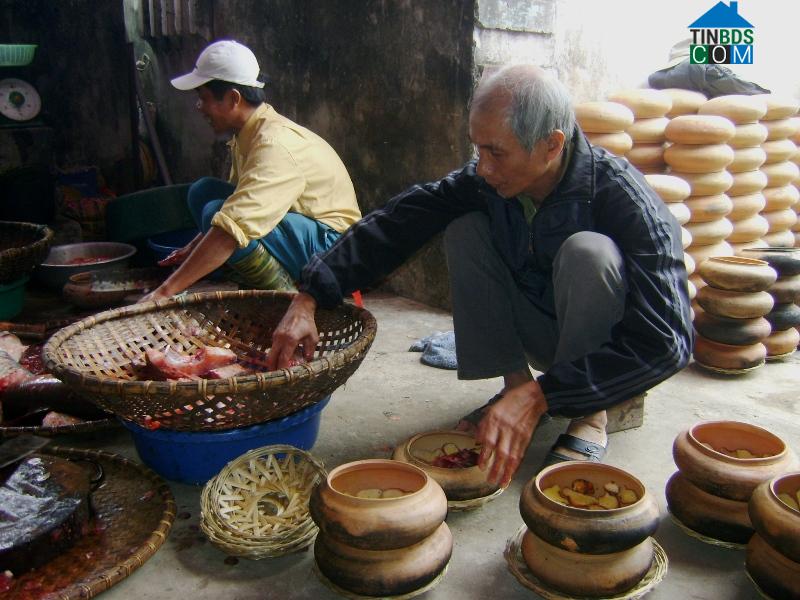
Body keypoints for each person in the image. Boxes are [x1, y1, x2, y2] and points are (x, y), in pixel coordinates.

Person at [267, 65, 693, 487]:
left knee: (589, 252)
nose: (483, 168)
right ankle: (515, 386)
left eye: (497, 153)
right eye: (479, 150)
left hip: (603, 353)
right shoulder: (487, 180)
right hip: (540, 329)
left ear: (551, 145)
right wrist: (310, 294)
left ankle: (588, 413)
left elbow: (667, 343)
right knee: (464, 227)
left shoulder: (623, 198)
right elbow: (399, 221)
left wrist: (546, 396)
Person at [141, 40, 361, 301]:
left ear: (234, 98)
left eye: (204, 99)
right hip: (307, 235)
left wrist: (163, 292)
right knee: (202, 192)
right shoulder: (247, 135)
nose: (200, 108)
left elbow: (232, 225)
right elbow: (237, 204)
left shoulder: (274, 145)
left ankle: (286, 295)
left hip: (333, 251)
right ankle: (254, 279)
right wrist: (193, 247)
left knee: (221, 218)